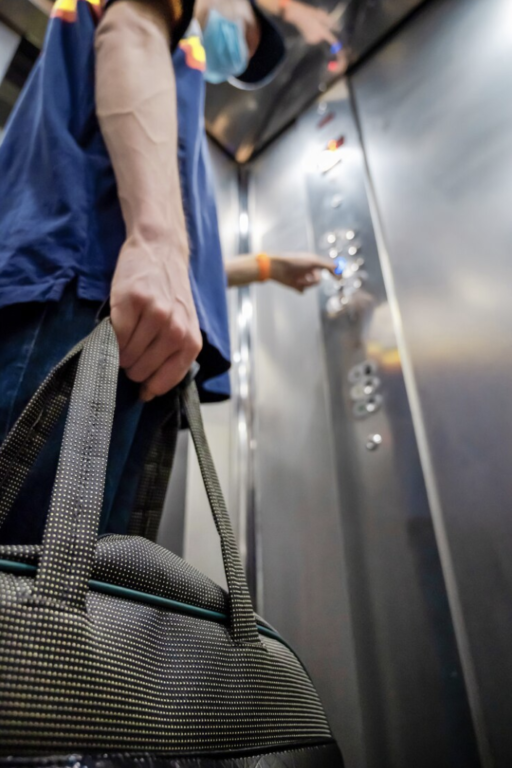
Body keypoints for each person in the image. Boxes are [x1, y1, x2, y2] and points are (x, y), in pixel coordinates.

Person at [0, 0, 331, 544]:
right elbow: (131, 28)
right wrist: (158, 245)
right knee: (30, 580)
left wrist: (267, 267)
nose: (236, 52)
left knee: (78, 600)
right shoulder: (146, 25)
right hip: (80, 303)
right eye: (246, 34)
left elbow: (177, 265)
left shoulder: (169, 72)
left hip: (122, 318)